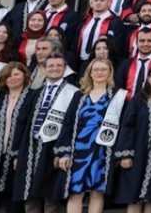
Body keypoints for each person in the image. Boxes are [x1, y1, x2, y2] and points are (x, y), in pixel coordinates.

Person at [15, 53, 80, 213]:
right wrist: (17, 153)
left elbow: (73, 124)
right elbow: (23, 123)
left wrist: (65, 152)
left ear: (65, 69)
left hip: (54, 148)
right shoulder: (34, 93)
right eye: (50, 65)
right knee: (30, 196)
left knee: (51, 198)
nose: (55, 68)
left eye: (59, 65)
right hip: (31, 148)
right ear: (43, 69)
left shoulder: (74, 93)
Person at [54, 58, 121, 213]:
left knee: (97, 192)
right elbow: (68, 124)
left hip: (103, 151)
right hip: (79, 150)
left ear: (110, 72)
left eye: (103, 69)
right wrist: (64, 153)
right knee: (76, 192)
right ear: (90, 73)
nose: (99, 73)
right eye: (96, 69)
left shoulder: (117, 97)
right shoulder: (80, 96)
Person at [114, 62, 151, 213]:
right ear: (148, 78)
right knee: (134, 195)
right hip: (137, 154)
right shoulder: (138, 99)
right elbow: (127, 126)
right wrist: (125, 154)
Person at [0, 62, 31, 213]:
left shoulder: (32, 98)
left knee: (14, 202)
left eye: (16, 74)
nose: (12, 78)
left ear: (24, 76)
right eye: (8, 75)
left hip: (18, 158)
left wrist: (20, 154)